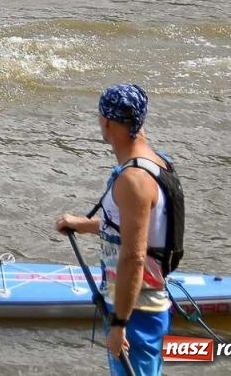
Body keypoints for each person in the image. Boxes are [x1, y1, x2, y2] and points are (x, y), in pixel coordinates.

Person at [55, 85, 183, 376]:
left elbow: (134, 257)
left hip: (136, 312)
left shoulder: (133, 180)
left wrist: (119, 324)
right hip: (140, 305)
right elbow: (138, 229)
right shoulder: (158, 163)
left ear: (108, 123)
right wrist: (83, 225)